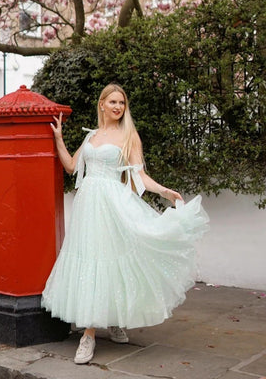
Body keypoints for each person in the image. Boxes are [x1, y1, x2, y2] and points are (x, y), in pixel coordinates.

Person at [41, 83, 209, 365]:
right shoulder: (92, 136)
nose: (118, 107)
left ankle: (91, 333)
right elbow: (71, 166)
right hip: (88, 207)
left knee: (111, 261)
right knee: (92, 261)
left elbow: (140, 176)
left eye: (122, 103)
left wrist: (165, 192)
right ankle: (98, 327)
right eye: (114, 102)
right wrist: (58, 137)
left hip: (112, 205)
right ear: (102, 104)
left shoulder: (129, 136)